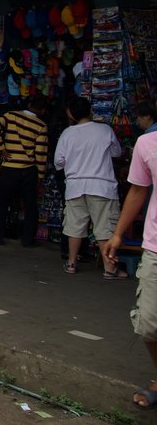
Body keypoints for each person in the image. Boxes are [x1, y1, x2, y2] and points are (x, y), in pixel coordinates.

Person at [102, 118, 157, 409]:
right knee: (148, 324)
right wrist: (118, 234)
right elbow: (137, 190)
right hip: (155, 248)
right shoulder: (147, 144)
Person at [54, 96, 126, 277]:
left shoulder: (67, 133)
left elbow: (58, 162)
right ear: (91, 111)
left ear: (71, 113)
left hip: (75, 186)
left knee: (74, 227)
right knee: (104, 228)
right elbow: (116, 152)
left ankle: (71, 263)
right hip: (101, 186)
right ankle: (109, 268)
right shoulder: (104, 130)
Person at [0, 96, 48, 246]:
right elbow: (41, 153)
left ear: (30, 104)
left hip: (9, 169)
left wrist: (2, 149)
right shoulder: (41, 126)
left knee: (1, 202)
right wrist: (40, 175)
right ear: (42, 110)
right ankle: (27, 240)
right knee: (30, 206)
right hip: (28, 171)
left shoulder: (11, 115)